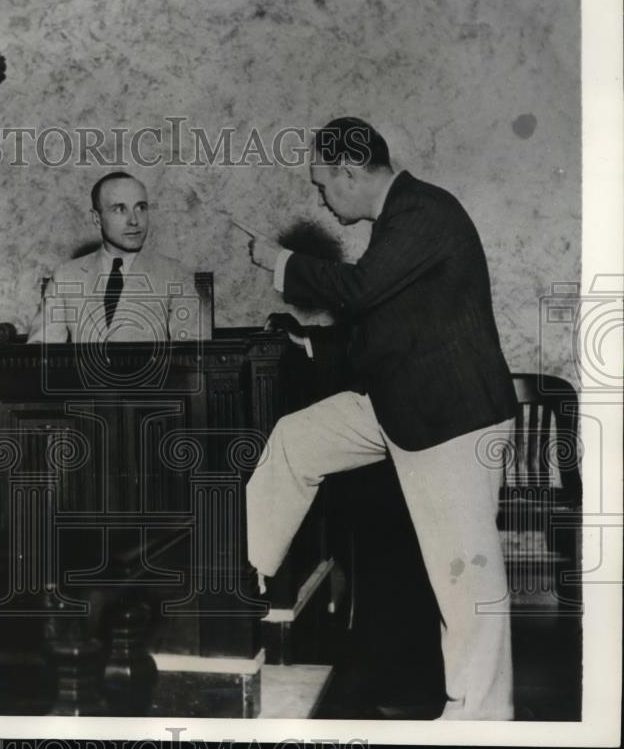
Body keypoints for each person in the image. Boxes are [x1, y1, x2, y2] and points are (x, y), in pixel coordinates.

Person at [244, 117, 518, 720]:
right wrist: (311, 344)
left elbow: (363, 291)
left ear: (348, 171)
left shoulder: (422, 211)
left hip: (453, 420)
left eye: (322, 186)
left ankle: (481, 719)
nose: (320, 198)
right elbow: (387, 329)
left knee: (464, 578)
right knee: (296, 440)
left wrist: (282, 261)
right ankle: (247, 580)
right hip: (401, 404)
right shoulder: (398, 222)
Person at [27, 171, 203, 343]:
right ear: (97, 219)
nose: (134, 220)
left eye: (141, 207)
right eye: (120, 209)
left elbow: (192, 358)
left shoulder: (175, 275)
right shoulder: (65, 276)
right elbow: (42, 353)